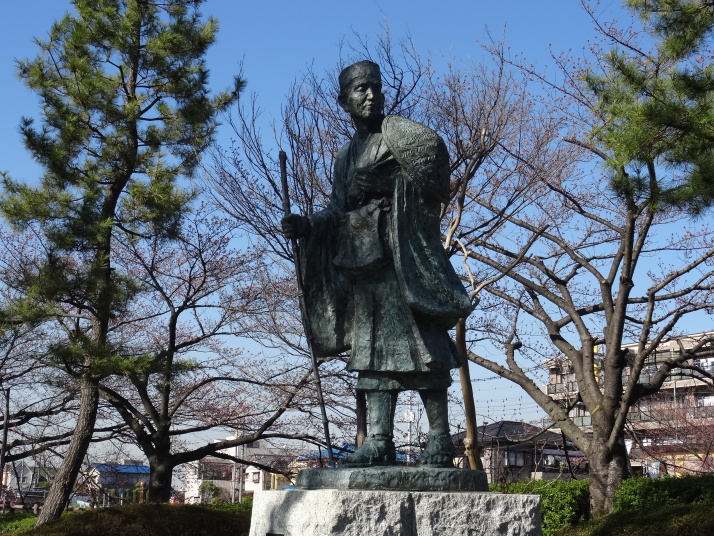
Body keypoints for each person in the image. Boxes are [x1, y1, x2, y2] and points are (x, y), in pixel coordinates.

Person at [282, 60, 472, 468]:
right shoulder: (344, 157)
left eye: (375, 87)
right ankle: (379, 440)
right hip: (364, 263)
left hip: (405, 263)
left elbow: (434, 192)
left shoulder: (402, 137)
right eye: (360, 89)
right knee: (372, 354)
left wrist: (389, 185)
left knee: (424, 349)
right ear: (344, 101)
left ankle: (441, 440)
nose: (370, 95)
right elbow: (337, 210)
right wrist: (308, 225)